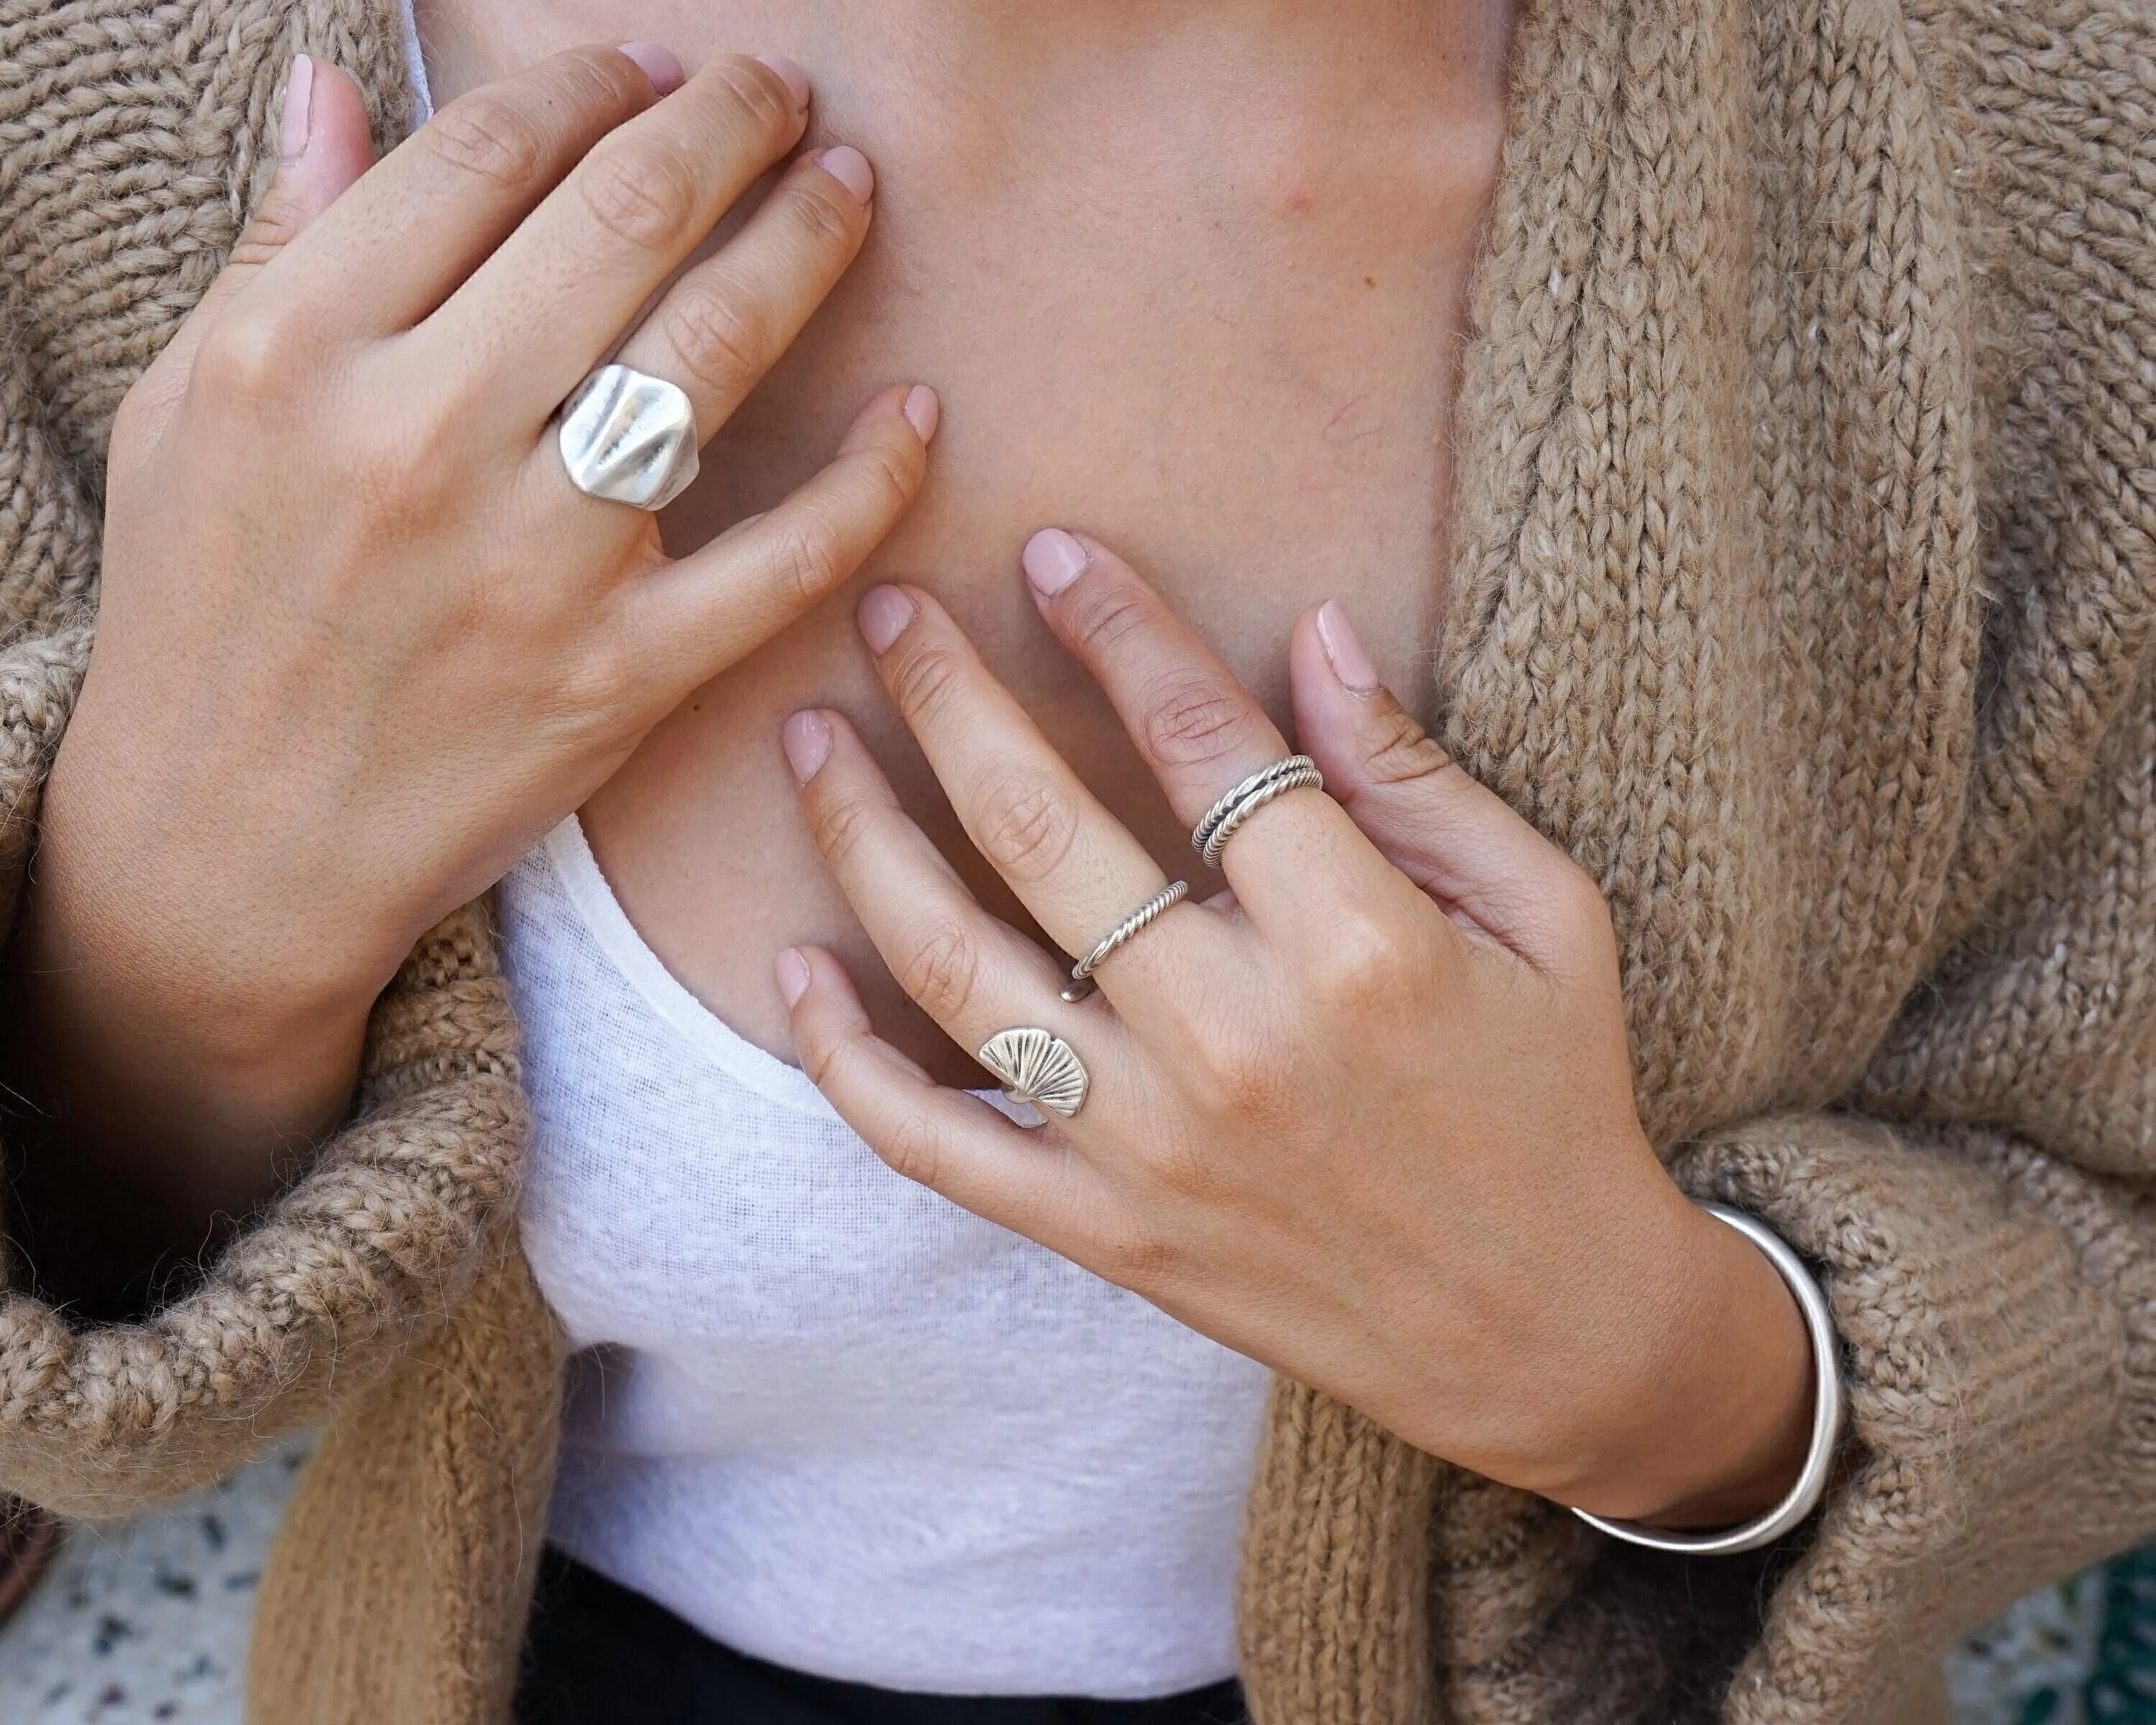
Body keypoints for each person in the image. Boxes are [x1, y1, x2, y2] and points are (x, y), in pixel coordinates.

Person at [0, 0, 2148, 1721]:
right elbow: (77, 1427)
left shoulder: (2043, 135)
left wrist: (1672, 1377)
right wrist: (192, 915)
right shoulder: (97, 99)